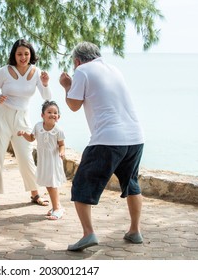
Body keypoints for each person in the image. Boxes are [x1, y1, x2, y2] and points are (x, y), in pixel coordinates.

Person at [59, 42, 144, 251]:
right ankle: (135, 231)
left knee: (81, 185)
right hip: (135, 137)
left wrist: (66, 86)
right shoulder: (114, 69)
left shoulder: (81, 71)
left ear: (77, 60)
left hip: (107, 139)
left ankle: (88, 234)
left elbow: (74, 105)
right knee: (131, 183)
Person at [0, 39, 52, 209]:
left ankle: (35, 193)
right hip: (2, 116)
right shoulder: (3, 72)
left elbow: (47, 97)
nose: (23, 57)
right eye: (19, 54)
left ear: (31, 55)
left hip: (22, 118)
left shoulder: (37, 72)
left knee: (25, 155)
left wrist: (45, 83)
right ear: (14, 54)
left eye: (26, 54)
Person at [18, 100, 67, 220]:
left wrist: (61, 152)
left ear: (58, 117)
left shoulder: (58, 130)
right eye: (49, 112)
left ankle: (57, 209)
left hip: (53, 160)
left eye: (55, 113)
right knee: (48, 183)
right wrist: (24, 134)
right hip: (43, 160)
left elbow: (61, 144)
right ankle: (57, 205)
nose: (52, 114)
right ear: (42, 115)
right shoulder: (38, 126)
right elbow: (31, 138)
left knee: (52, 184)